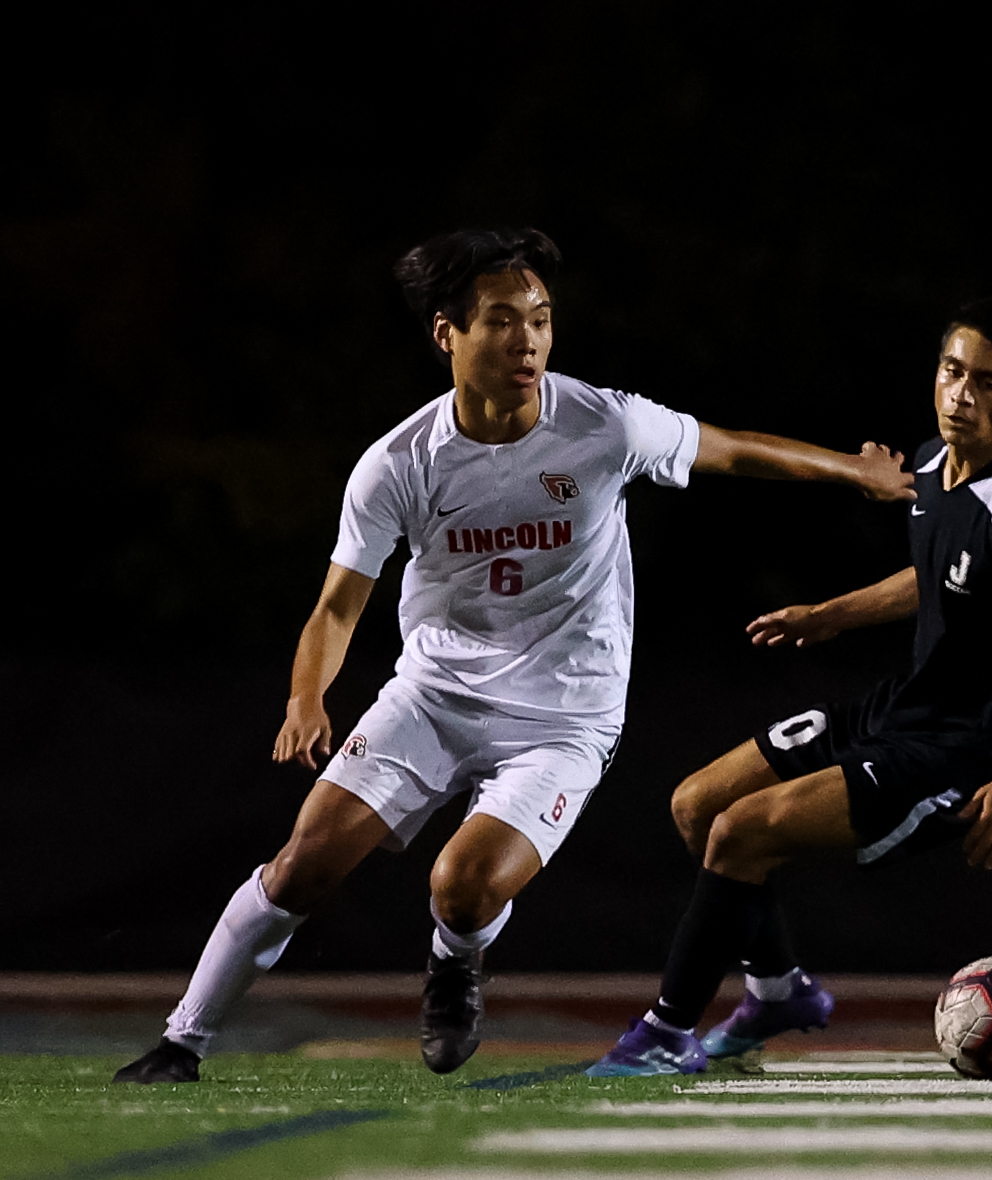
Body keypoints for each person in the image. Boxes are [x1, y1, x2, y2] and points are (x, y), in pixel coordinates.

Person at [113, 228, 915, 1084]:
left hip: (564, 719)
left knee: (461, 885)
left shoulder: (602, 423)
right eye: (501, 320)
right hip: (433, 698)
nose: (527, 339)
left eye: (540, 318)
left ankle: (454, 964)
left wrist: (852, 472)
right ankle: (180, 1044)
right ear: (446, 335)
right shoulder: (397, 464)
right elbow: (337, 606)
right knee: (301, 866)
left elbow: (733, 448)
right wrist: (305, 698)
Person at [587, 297, 992, 1077]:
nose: (961, 396)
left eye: (988, 383)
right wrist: (828, 615)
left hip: (958, 751)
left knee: (741, 833)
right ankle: (777, 991)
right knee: (696, 804)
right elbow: (937, 576)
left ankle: (667, 1034)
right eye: (951, 372)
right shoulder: (932, 467)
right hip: (895, 708)